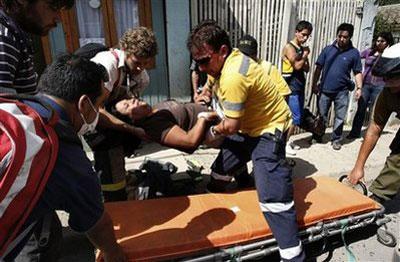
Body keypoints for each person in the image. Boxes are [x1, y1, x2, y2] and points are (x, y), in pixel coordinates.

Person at [187, 20, 304, 262]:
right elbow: (211, 84)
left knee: (273, 197)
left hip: (268, 129)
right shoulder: (221, 64)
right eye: (196, 62)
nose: (200, 67)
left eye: (204, 61)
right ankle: (209, 216)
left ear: (222, 51)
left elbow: (230, 126)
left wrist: (211, 134)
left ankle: (293, 255)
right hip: (247, 128)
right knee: (219, 173)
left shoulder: (233, 76)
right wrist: (205, 93)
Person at [1, 54, 126, 262]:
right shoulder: (62, 153)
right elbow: (97, 225)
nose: (98, 112)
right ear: (84, 104)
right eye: (100, 104)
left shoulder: (12, 106)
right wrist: (114, 253)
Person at [85, 27, 158, 202]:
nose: (141, 68)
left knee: (125, 146)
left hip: (108, 115)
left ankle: (117, 177)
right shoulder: (107, 65)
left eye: (146, 63)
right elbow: (96, 111)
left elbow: (129, 106)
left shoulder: (141, 77)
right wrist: (130, 129)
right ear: (125, 50)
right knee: (109, 153)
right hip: (88, 115)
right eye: (137, 62)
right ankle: (112, 196)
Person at [348, 43, 400, 203]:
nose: (386, 82)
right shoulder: (388, 93)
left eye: (391, 79)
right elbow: (374, 129)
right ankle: (381, 193)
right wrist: (359, 167)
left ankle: (379, 195)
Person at [0, 0, 74, 94]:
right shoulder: (4, 36)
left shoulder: (16, 35)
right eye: (52, 6)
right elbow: (3, 105)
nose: (58, 19)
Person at [311, 23, 363, 150]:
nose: (341, 39)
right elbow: (318, 68)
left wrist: (359, 88)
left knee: (340, 117)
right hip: (324, 90)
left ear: (350, 37)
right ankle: (317, 136)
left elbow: (357, 72)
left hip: (342, 92)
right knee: (321, 115)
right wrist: (314, 84)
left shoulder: (354, 53)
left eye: (345, 37)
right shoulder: (328, 50)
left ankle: (336, 139)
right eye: (339, 36)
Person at [114, 98, 220, 153]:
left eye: (128, 99)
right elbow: (190, 142)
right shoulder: (155, 126)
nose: (132, 100)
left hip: (217, 113)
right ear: (132, 120)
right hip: (220, 130)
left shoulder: (156, 108)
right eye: (127, 105)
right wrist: (203, 117)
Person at [347, 32, 394, 139]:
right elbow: (357, 55)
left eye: (382, 41)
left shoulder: (389, 54)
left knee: (375, 111)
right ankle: (354, 132)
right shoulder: (370, 52)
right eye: (378, 41)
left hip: (380, 85)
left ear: (387, 42)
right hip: (366, 84)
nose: (379, 43)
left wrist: (386, 54)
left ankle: (369, 135)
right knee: (361, 109)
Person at [282, 21, 313, 155]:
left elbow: (307, 68)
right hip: (291, 87)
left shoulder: (301, 48)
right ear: (296, 32)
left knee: (297, 118)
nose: (305, 38)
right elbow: (298, 66)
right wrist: (305, 55)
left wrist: (305, 56)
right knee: (294, 117)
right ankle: (284, 144)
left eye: (308, 36)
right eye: (303, 34)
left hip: (299, 86)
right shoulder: (290, 47)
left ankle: (288, 142)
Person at [238, 34, 291, 99]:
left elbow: (284, 92)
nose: (245, 58)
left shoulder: (268, 68)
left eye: (249, 55)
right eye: (242, 54)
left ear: (256, 54)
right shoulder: (233, 68)